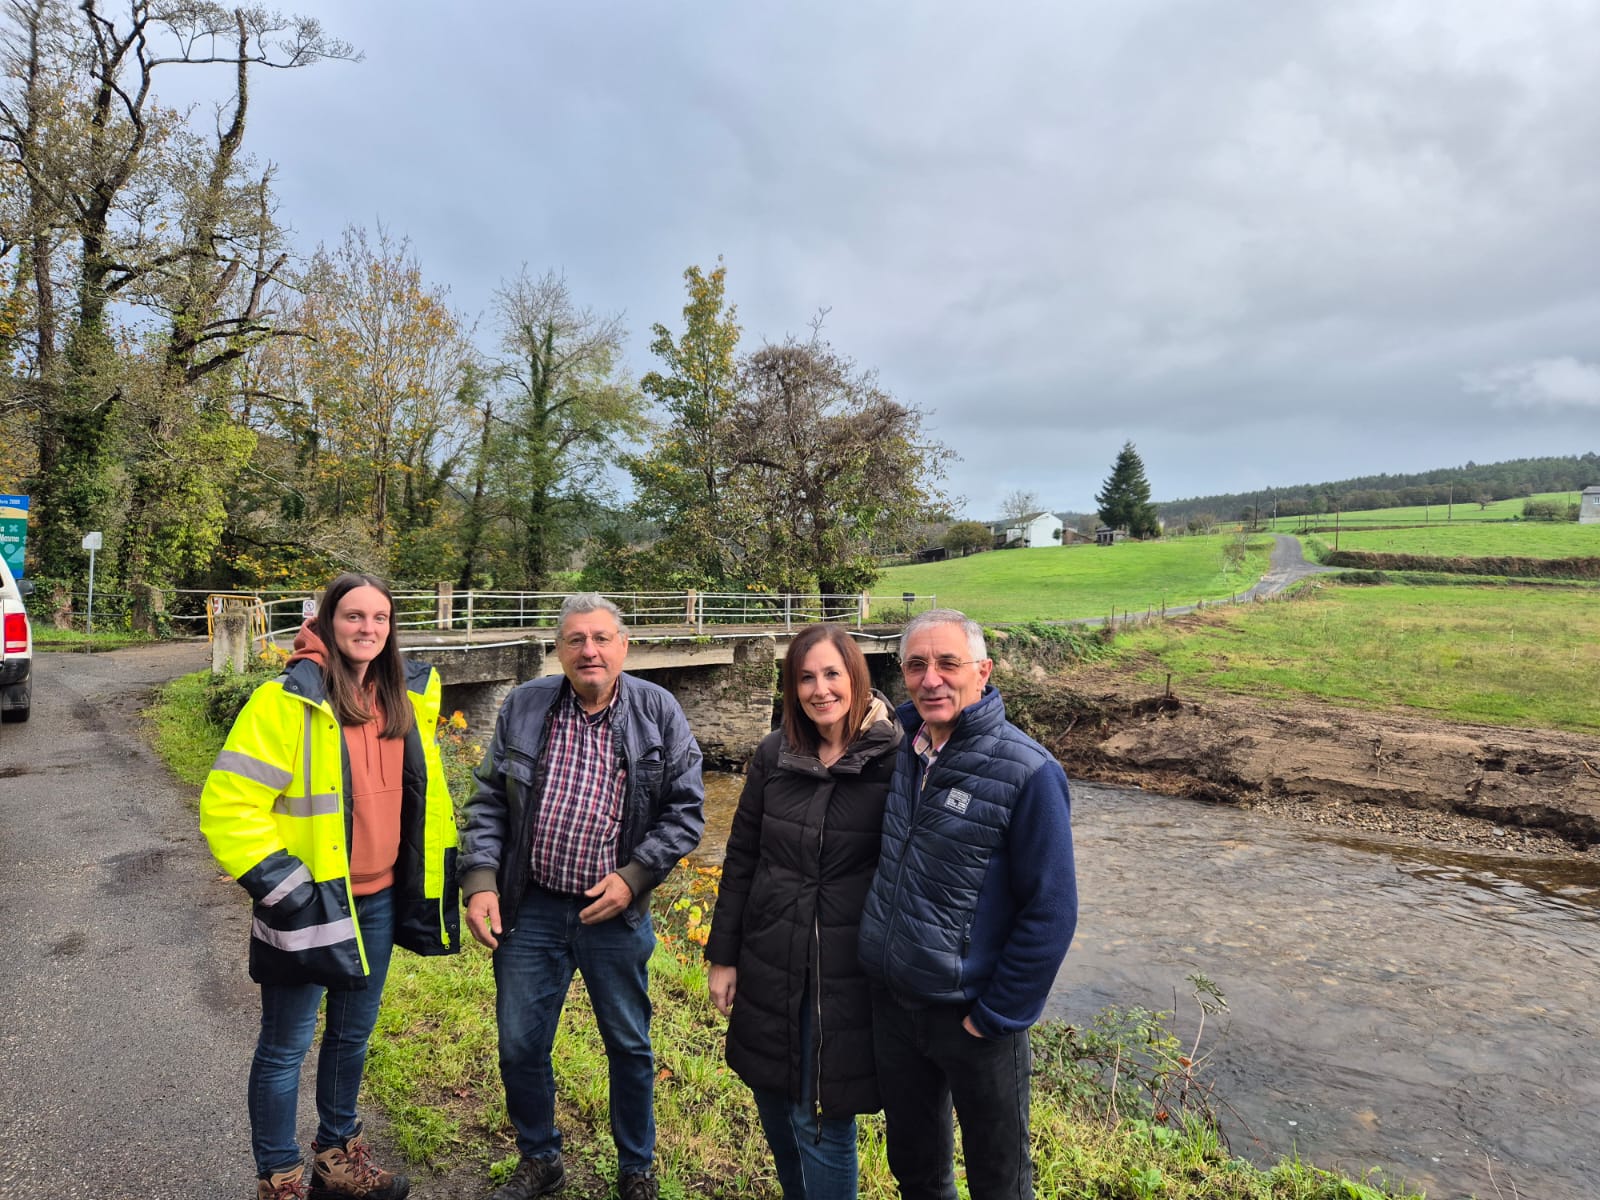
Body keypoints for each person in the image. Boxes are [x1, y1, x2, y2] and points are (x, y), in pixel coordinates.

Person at [200, 573, 461, 1200]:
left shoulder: (407, 696)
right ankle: (280, 1178)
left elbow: (423, 800)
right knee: (286, 1045)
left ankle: (337, 1159)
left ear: (391, 627)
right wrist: (288, 891)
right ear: (325, 621)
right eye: (353, 616)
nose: (367, 628)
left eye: (380, 617)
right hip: (309, 902)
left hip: (379, 900)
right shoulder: (287, 700)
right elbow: (229, 806)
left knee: (351, 1037)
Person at [461, 593, 705, 1200]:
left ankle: (636, 1168)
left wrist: (634, 876)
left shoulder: (658, 710)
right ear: (559, 649)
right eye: (575, 639)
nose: (588, 650)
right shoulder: (525, 704)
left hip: (613, 912)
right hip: (532, 906)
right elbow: (488, 799)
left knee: (628, 1045)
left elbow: (685, 811)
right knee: (520, 1043)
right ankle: (540, 1158)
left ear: (624, 646)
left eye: (601, 638)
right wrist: (480, 881)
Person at [857, 608, 1077, 1200]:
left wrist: (996, 1015)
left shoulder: (1030, 772)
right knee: (916, 1170)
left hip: (974, 1018)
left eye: (948, 663)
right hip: (897, 1006)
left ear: (983, 671)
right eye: (916, 665)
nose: (931, 679)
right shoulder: (901, 747)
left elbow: (1052, 911)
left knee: (999, 1179)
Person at [705, 624, 902, 1200]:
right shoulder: (775, 753)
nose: (820, 690)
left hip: (843, 972)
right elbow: (743, 857)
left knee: (820, 1116)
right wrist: (723, 956)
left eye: (832, 674)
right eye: (806, 678)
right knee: (771, 1096)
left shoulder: (895, 759)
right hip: (770, 956)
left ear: (856, 677)